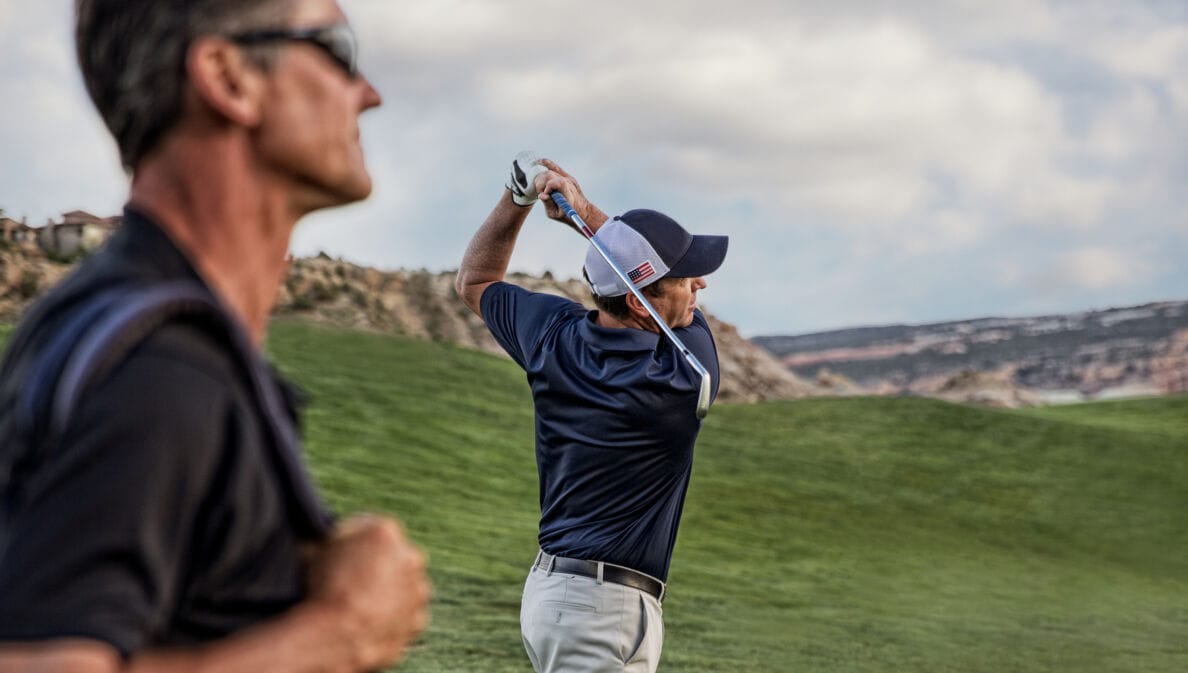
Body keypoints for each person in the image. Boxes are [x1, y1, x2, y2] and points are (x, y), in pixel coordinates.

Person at [0, 1, 430, 671]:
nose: (368, 93)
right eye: (338, 49)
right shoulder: (160, 369)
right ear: (229, 80)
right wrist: (340, 632)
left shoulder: (116, 329)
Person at [456, 155, 729, 673]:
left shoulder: (551, 334)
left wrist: (516, 198)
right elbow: (673, 309)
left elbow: (474, 280)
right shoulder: (682, 377)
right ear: (640, 302)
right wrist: (586, 214)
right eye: (685, 277)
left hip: (575, 600)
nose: (700, 285)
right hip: (595, 610)